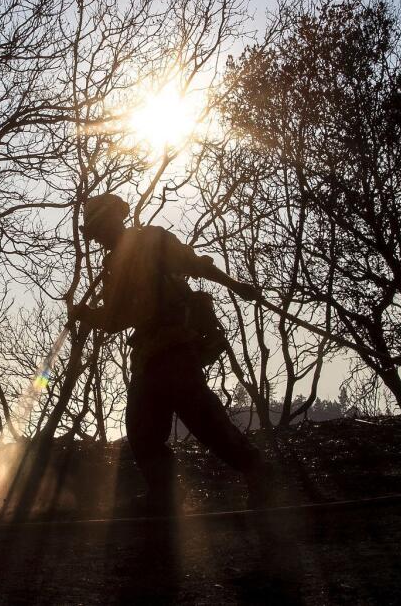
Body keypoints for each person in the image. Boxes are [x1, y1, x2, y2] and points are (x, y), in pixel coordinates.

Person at [69, 193, 271, 513]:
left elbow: (196, 264)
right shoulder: (112, 266)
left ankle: (257, 471)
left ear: (115, 221)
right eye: (94, 234)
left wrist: (235, 285)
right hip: (148, 357)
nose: (99, 238)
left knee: (205, 422)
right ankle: (163, 497)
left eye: (100, 229)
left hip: (175, 347)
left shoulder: (151, 240)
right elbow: (116, 319)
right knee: (141, 430)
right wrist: (86, 314)